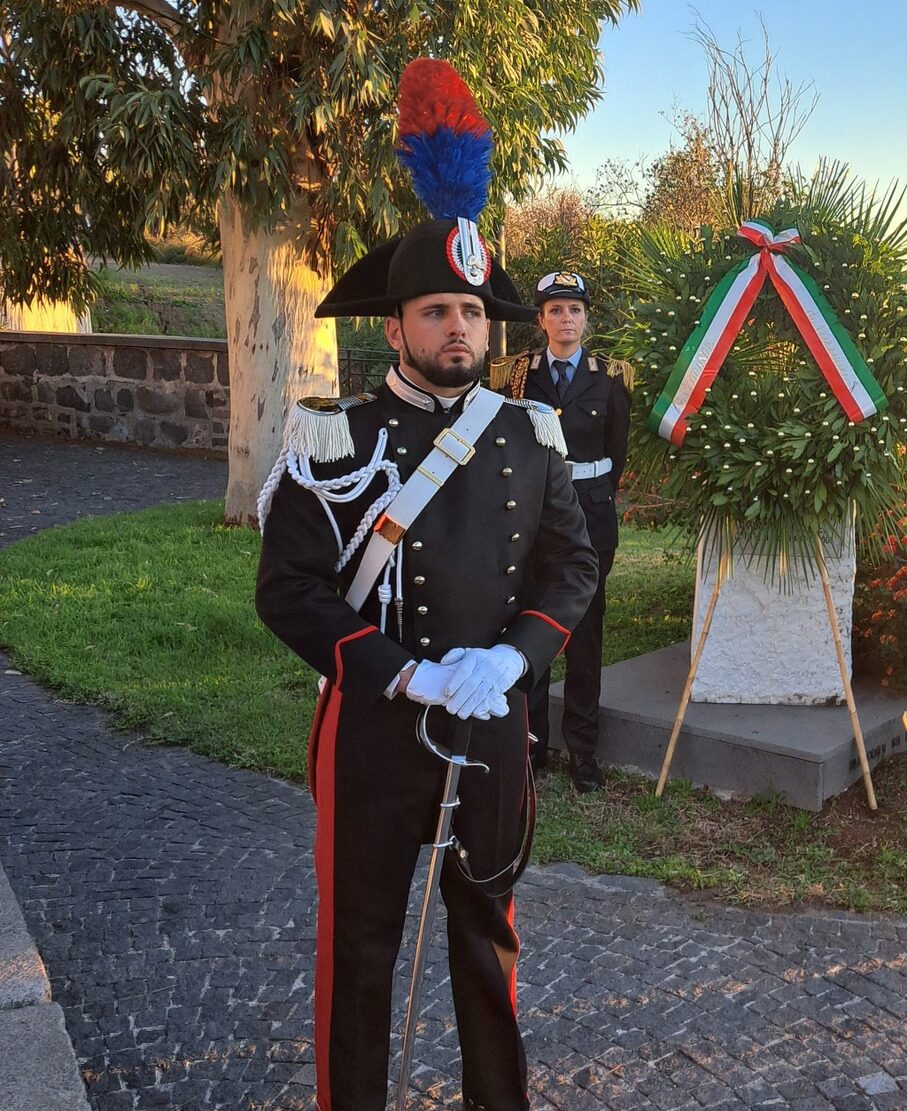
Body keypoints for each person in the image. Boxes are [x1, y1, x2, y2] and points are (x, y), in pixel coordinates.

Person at [254, 59, 598, 1111]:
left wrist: (518, 656)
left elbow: (572, 565)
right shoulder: (335, 435)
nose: (461, 329)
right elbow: (291, 590)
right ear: (395, 325)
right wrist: (400, 676)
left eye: (474, 312)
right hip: (374, 728)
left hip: (492, 725)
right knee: (359, 952)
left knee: (488, 947)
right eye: (439, 311)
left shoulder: (531, 435)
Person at [491, 271, 631, 793]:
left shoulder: (610, 376)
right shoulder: (516, 376)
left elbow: (617, 453)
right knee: (531, 624)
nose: (565, 319)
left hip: (591, 518)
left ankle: (583, 752)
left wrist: (590, 492)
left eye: (574, 310)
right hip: (530, 519)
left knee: (586, 633)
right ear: (541, 319)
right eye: (555, 310)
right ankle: (531, 746)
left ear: (585, 317)